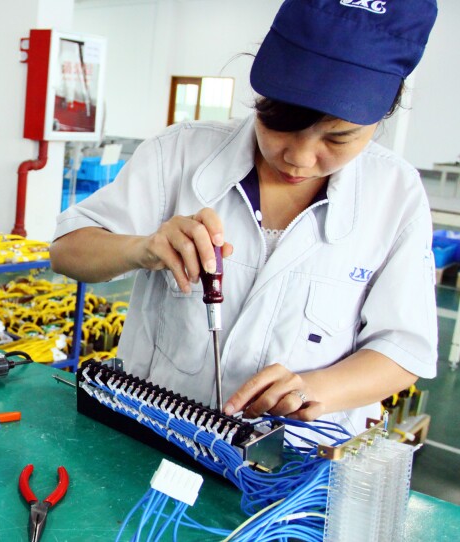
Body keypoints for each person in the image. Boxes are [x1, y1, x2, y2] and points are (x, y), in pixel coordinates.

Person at [50, 0, 439, 437]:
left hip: (294, 464)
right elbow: (67, 251)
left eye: (338, 136)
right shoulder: (180, 153)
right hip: (153, 439)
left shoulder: (395, 195)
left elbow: (405, 350)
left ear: (386, 110)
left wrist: (313, 388)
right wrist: (140, 248)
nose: (299, 157)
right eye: (281, 123)